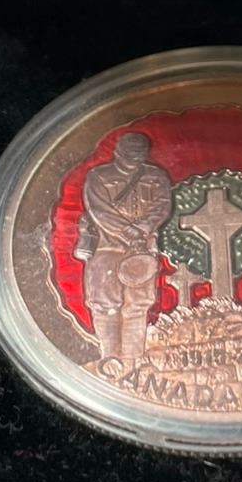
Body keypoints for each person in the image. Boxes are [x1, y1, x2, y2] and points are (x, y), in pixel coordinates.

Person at [75, 131, 172, 362]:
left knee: (139, 303)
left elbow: (162, 205)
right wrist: (127, 231)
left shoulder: (157, 176)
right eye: (129, 155)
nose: (132, 160)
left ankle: (132, 360)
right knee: (105, 304)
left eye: (138, 156)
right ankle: (110, 359)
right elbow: (99, 209)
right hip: (106, 249)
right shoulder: (98, 176)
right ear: (117, 152)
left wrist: (142, 229)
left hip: (143, 250)